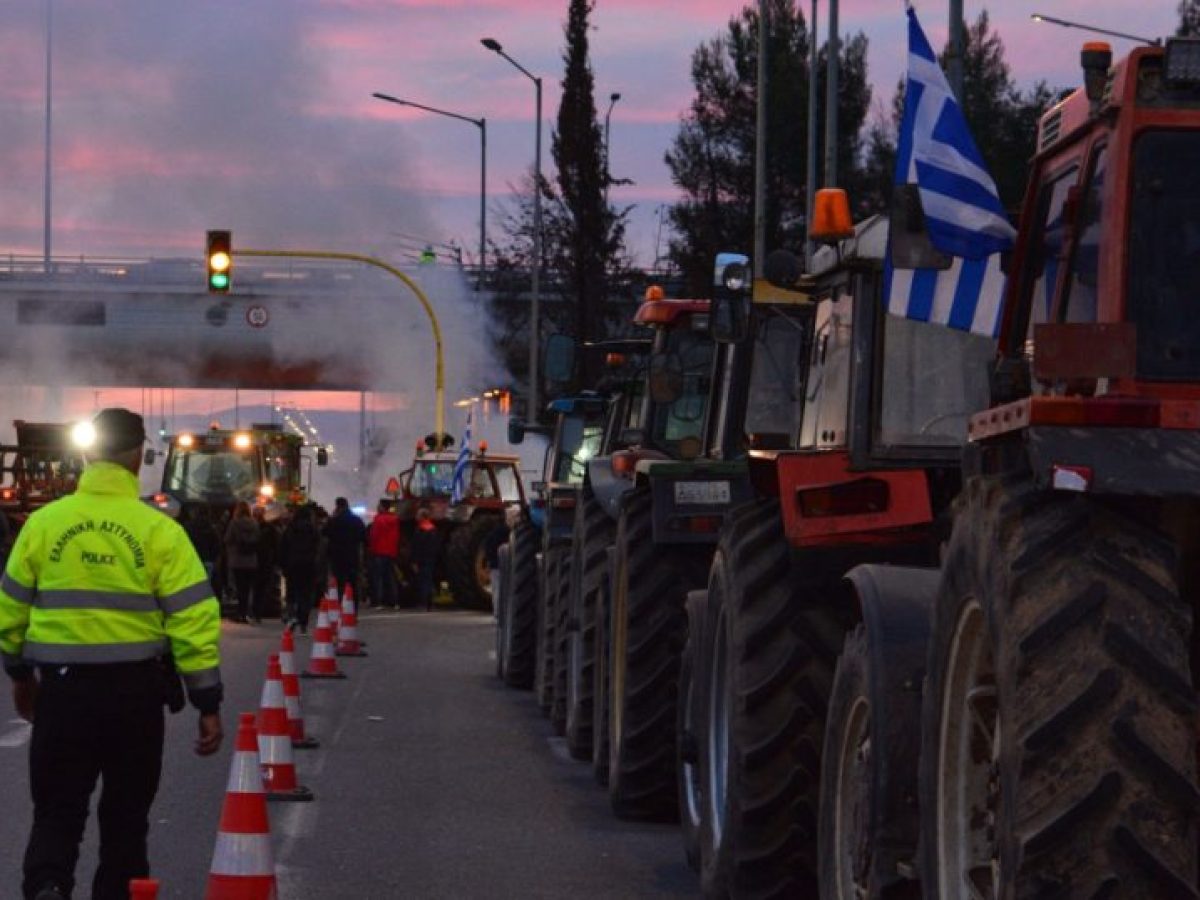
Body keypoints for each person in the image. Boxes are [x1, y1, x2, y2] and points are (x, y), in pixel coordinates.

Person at [0, 408, 223, 900]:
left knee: (57, 812)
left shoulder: (43, 525)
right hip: (134, 697)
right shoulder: (160, 531)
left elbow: (9, 610)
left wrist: (19, 675)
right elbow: (193, 620)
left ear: (85, 454)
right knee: (125, 821)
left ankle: (48, 886)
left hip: (62, 692)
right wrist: (206, 701)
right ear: (140, 456)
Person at [280, 505, 321, 633]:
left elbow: (283, 548)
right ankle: (303, 621)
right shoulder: (313, 530)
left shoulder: (290, 529)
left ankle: (292, 617)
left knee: (291, 593)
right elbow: (318, 548)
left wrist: (283, 565)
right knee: (306, 594)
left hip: (292, 565)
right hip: (308, 565)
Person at [323, 497, 365, 606]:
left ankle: (340, 603)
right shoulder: (357, 520)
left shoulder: (334, 520)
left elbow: (325, 533)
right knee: (352, 582)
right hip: (352, 555)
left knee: (339, 582)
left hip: (337, 556)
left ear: (337, 506)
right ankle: (353, 605)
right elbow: (363, 537)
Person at [223, 501, 259, 623]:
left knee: (239, 587)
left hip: (237, 561)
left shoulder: (234, 523)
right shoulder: (254, 523)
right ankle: (247, 612)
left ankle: (240, 613)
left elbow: (227, 539)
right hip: (251, 561)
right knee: (248, 588)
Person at [366, 499, 401, 609]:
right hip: (391, 552)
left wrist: (371, 549)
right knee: (391, 578)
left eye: (379, 506)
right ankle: (395, 602)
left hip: (379, 552)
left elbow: (374, 536)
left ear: (383, 507)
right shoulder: (395, 520)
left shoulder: (378, 520)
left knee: (378, 578)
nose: (377, 507)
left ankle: (380, 602)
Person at [410, 507, 441, 612]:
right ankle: (430, 603)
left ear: (422, 517)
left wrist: (414, 561)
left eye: (418, 515)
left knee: (423, 581)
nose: (416, 517)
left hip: (422, 560)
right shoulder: (433, 529)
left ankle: (423, 603)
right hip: (431, 559)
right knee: (429, 580)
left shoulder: (420, 530)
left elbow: (416, 547)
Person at [252, 506, 280, 621]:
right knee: (262, 588)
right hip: (266, 561)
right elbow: (276, 545)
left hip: (253, 561)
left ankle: (254, 611)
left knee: (254, 587)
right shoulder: (270, 528)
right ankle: (258, 612)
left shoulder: (252, 527)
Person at [180, 506, 220, 585]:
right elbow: (216, 545)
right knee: (206, 586)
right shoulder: (211, 527)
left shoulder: (188, 526)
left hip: (193, 559)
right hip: (208, 559)